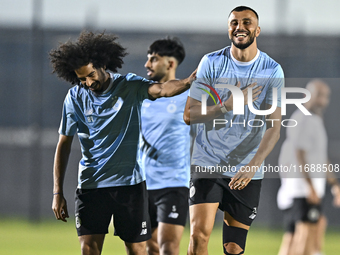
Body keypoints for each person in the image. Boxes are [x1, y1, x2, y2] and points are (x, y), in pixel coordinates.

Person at [49, 31, 196, 255]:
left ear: (100, 64)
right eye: (81, 79)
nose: (88, 83)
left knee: (137, 249)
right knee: (88, 249)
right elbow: (64, 145)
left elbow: (163, 89)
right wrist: (57, 192)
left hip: (129, 185)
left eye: (90, 75)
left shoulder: (130, 86)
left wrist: (188, 81)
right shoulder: (74, 98)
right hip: (91, 185)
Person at [183, 6, 284, 255]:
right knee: (198, 238)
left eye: (246, 22)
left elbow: (274, 127)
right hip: (208, 162)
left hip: (246, 169)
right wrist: (227, 105)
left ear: (257, 30)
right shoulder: (212, 62)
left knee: (234, 247)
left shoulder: (272, 70)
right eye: (234, 22)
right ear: (229, 28)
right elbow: (189, 114)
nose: (240, 27)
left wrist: (253, 165)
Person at [277, 79, 340, 255]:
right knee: (304, 234)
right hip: (302, 189)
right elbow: (299, 155)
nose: (323, 100)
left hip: (306, 189)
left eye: (326, 96)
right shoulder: (303, 119)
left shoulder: (314, 121)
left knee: (298, 234)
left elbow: (321, 158)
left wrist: (334, 185)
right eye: (319, 95)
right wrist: (310, 187)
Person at [141, 37, 190, 255]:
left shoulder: (189, 96)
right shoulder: (140, 94)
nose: (147, 64)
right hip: (140, 182)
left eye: (153, 59)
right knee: (148, 248)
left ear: (170, 64)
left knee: (168, 246)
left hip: (173, 182)